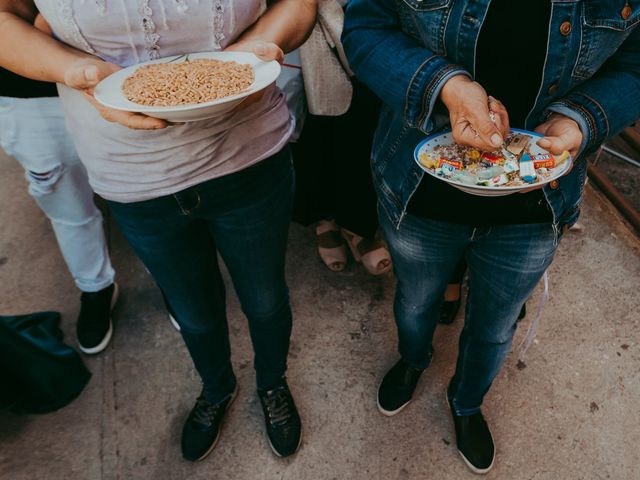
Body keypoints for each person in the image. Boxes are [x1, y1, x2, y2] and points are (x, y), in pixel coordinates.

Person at [0, 0, 317, 461]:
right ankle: (217, 387)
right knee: (193, 310)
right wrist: (76, 70)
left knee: (266, 299)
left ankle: (272, 383)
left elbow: (299, 4)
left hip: (248, 156)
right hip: (131, 176)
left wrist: (252, 55)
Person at [343, 0, 639, 473]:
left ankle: (466, 402)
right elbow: (363, 27)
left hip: (537, 201)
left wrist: (582, 118)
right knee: (417, 301)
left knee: (496, 326)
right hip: (421, 189)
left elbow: (634, 63)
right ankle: (413, 359)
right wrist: (448, 86)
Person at [0, 64, 117, 355]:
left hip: (113, 71)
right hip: (24, 93)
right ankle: (96, 287)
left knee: (146, 189)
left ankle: (174, 283)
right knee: (65, 203)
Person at [292, 0, 391, 275]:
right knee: (310, 138)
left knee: (359, 133)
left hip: (357, 21)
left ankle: (358, 226)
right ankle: (324, 220)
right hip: (295, 33)